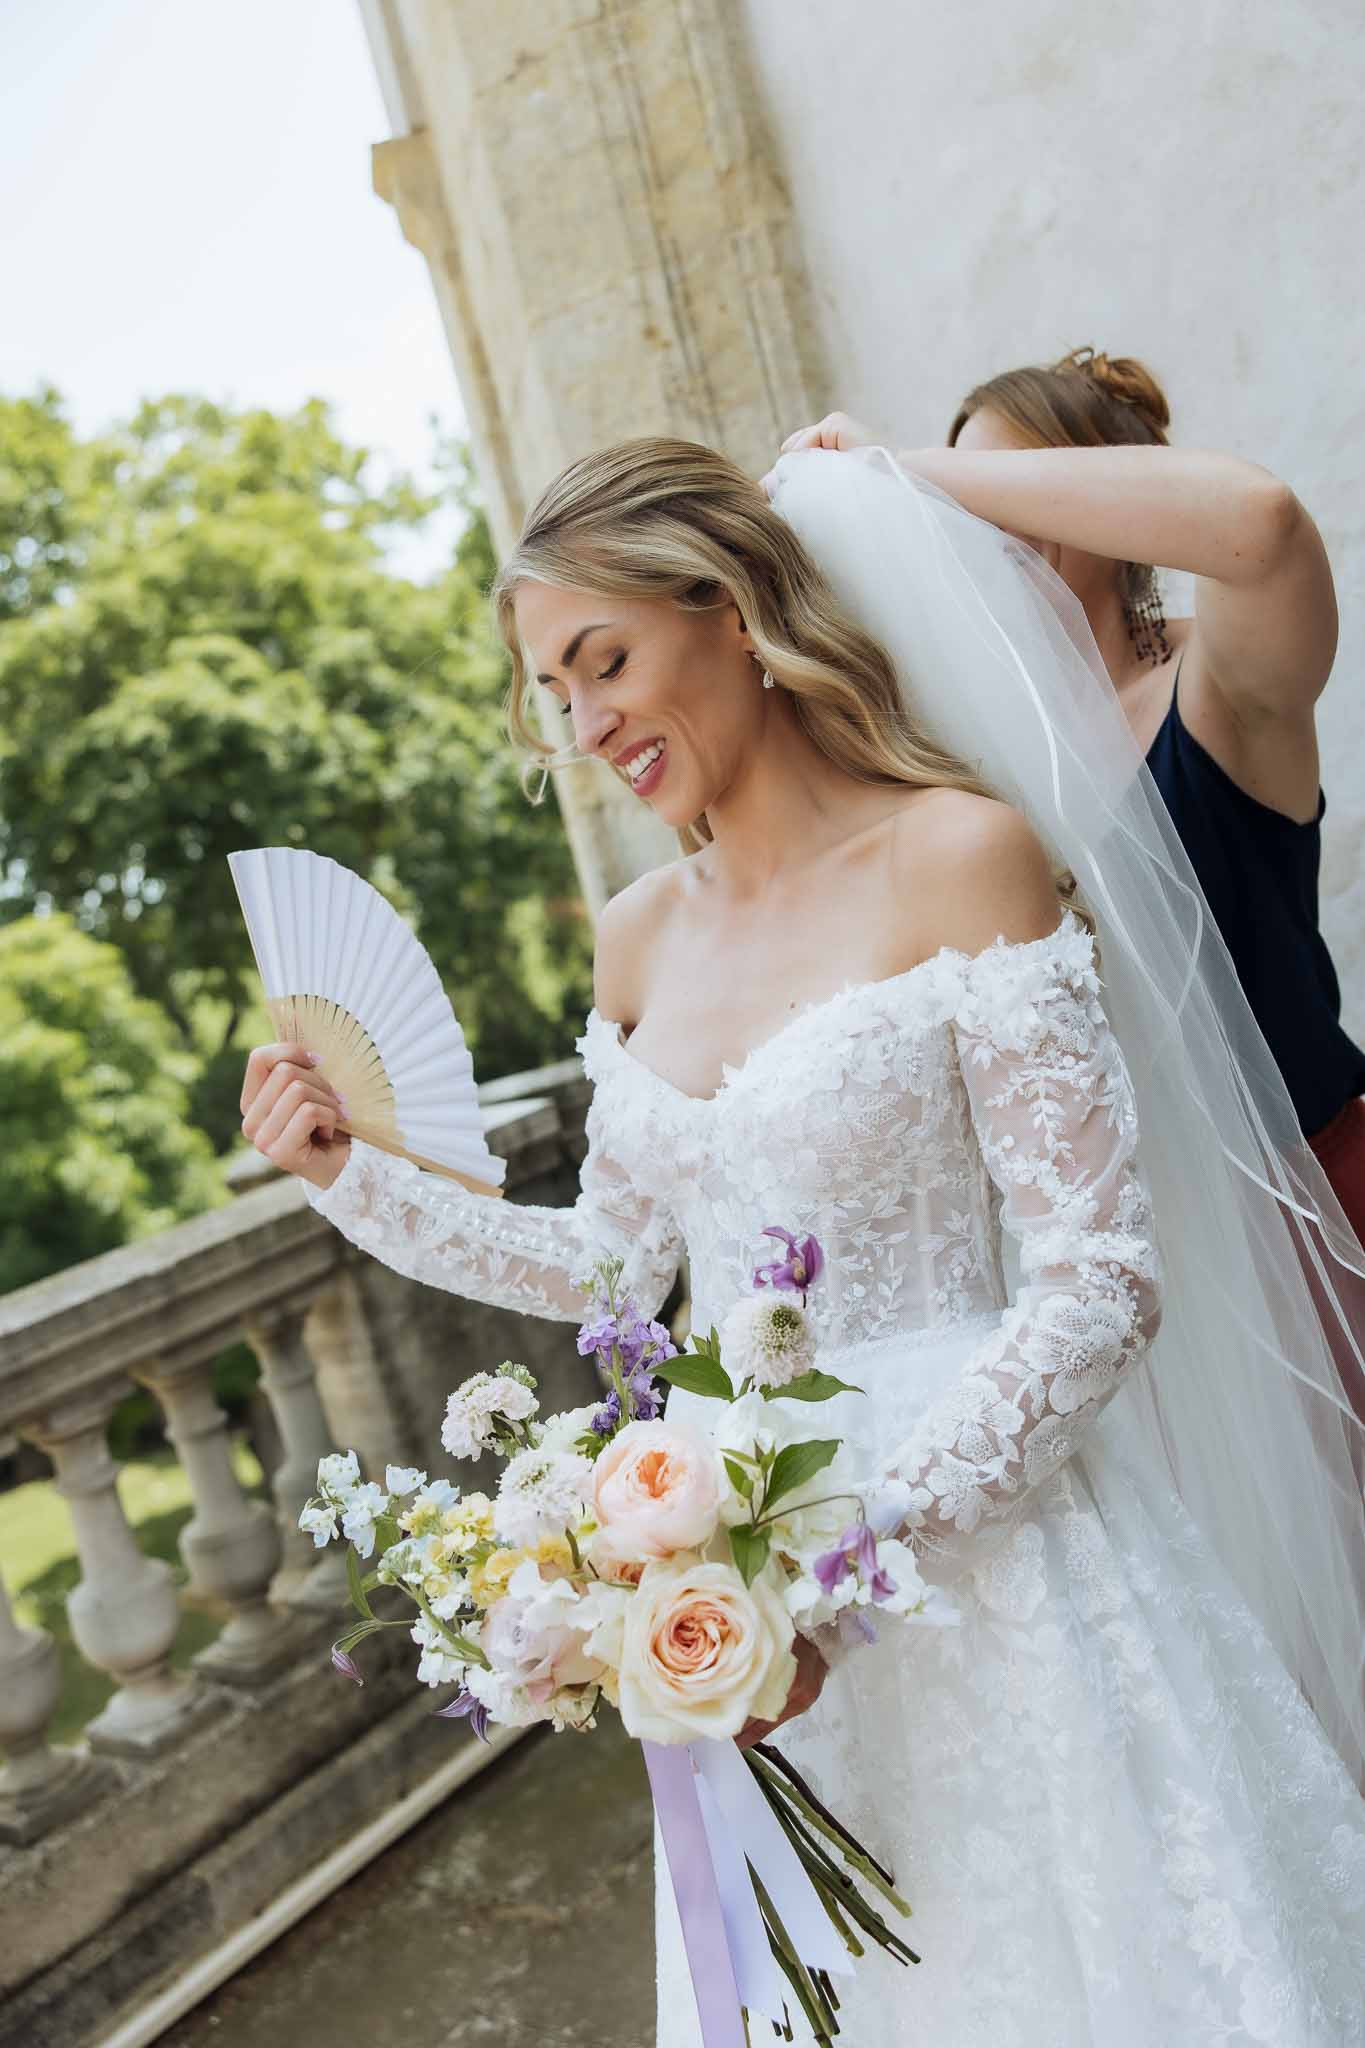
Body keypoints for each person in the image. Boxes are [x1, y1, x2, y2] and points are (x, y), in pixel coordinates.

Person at [240, 438, 1365, 2045]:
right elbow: (615, 1278)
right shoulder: (636, 938)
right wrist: (352, 1176)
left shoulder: (957, 854)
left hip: (999, 1572)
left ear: (732, 606)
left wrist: (842, 1557)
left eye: (605, 658)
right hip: (729, 1614)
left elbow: (1096, 1281)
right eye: (556, 692)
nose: (590, 722)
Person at [774, 353, 1365, 1300]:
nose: (983, 525)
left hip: (1317, 1220)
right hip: (1130, 1272)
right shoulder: (970, 759)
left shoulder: (1215, 688)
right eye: (960, 505)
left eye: (1014, 484)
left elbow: (1262, 523)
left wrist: (908, 470)